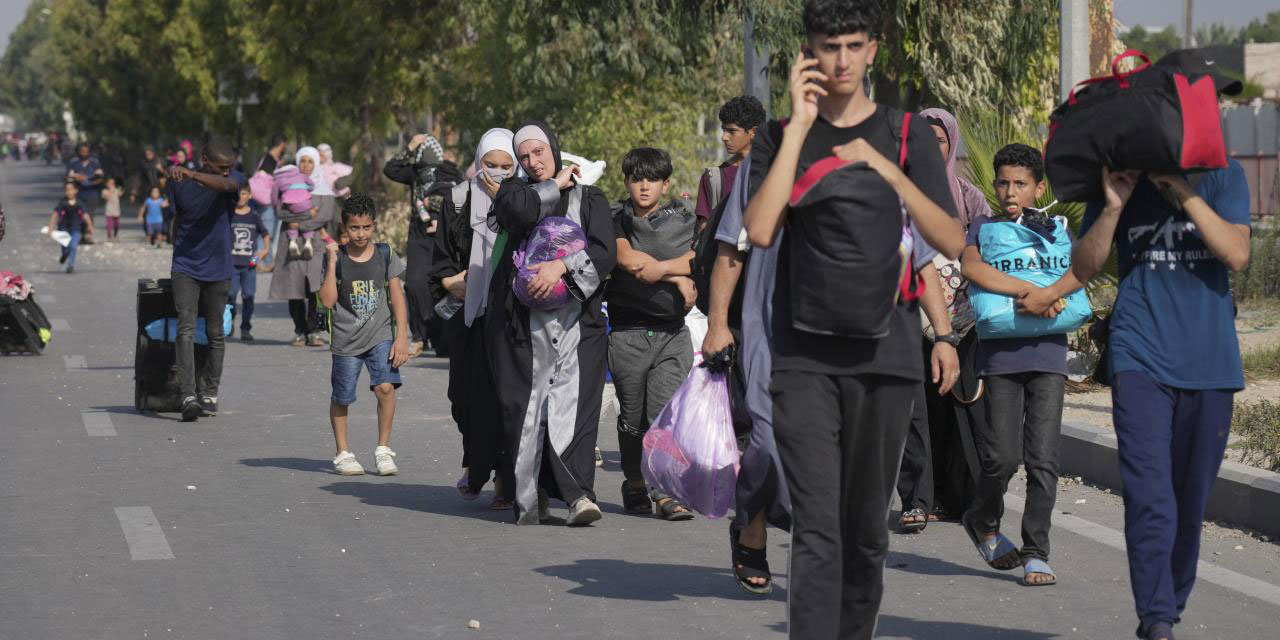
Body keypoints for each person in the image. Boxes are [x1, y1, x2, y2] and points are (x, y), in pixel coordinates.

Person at [741, 1, 965, 636]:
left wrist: (888, 169)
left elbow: (950, 239)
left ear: (872, 50)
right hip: (804, 359)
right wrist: (800, 127)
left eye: (853, 46)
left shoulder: (907, 132)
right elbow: (759, 229)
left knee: (865, 535)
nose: (840, 59)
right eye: (827, 46)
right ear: (809, 51)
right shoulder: (780, 135)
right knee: (817, 531)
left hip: (887, 358)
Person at [1061, 51, 1250, 640]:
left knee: (1188, 510)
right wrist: (1113, 207)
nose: (1213, 111)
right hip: (1140, 356)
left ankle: (1164, 609)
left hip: (1210, 364)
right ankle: (1159, 619)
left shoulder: (1226, 176)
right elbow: (1085, 265)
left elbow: (1237, 254)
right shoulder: (1118, 180)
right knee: (1150, 499)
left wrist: (1182, 191)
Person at [959, 143, 1080, 588]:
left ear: (1039, 187)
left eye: (1021, 184)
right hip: (1000, 358)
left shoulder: (1057, 230)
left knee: (1044, 460)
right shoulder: (982, 228)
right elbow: (973, 269)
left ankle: (1035, 550)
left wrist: (1051, 294)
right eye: (1004, 183)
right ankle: (982, 517)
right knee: (1001, 458)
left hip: (1049, 355)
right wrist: (1031, 294)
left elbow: (1076, 271)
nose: (1011, 192)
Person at [488, 121, 617, 526]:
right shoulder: (515, 194)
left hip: (579, 323)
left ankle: (579, 496)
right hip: (522, 328)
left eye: (539, 152)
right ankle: (532, 494)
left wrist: (560, 267)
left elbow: (604, 252)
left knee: (576, 408)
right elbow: (517, 213)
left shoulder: (591, 198)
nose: (533, 161)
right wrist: (554, 187)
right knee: (525, 409)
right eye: (524, 156)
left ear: (554, 150)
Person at [895, 107, 990, 532]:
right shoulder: (897, 193)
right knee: (914, 412)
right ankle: (917, 498)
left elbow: (985, 247)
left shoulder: (968, 196)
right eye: (922, 141)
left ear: (951, 146)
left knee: (959, 408)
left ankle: (958, 498)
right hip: (904, 315)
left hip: (960, 319)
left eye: (939, 141)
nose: (931, 150)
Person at [608, 147, 698, 521]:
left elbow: (699, 256)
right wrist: (675, 275)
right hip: (628, 333)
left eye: (652, 179)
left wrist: (664, 269)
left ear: (666, 183)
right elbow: (627, 260)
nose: (643, 186)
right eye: (636, 178)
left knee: (664, 413)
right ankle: (633, 482)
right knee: (633, 418)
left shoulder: (685, 218)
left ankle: (664, 490)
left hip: (672, 334)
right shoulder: (616, 217)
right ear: (626, 182)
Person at [430, 128, 517, 510]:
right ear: (478, 161)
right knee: (464, 398)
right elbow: (441, 259)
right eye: (490, 165)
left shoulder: (524, 199)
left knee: (504, 399)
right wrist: (452, 282)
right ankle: (475, 461)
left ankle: (503, 479)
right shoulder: (458, 199)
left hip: (510, 317)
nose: (496, 173)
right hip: (469, 317)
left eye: (505, 166)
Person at [318, 193, 409, 476]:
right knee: (342, 396)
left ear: (374, 225)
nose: (360, 233)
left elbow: (397, 297)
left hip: (380, 334)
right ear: (344, 228)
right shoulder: (337, 258)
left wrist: (402, 336)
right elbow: (328, 301)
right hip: (346, 340)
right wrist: (332, 264)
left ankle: (383, 449)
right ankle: (343, 452)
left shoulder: (385, 254)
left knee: (385, 387)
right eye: (354, 228)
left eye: (366, 227)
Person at [165, 135, 246, 422]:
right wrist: (175, 249)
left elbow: (228, 185)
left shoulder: (231, 178)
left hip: (219, 267)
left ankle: (210, 392)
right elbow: (178, 218)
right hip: (186, 265)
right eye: (220, 167)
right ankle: (188, 395)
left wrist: (193, 174)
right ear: (205, 159)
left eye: (229, 167)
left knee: (215, 332)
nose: (226, 171)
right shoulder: (177, 182)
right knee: (185, 328)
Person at [383, 133, 450, 358]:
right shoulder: (414, 174)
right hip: (418, 234)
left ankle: (437, 337)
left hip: (444, 234)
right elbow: (390, 169)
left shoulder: (448, 172)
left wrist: (441, 217)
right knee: (413, 284)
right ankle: (419, 336)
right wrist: (410, 147)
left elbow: (461, 199)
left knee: (439, 286)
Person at [268, 147, 332, 348]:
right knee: (294, 289)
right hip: (292, 245)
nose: (305, 165)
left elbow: (325, 215)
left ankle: (314, 331)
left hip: (315, 245)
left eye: (310, 161)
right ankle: (299, 330)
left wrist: (299, 223)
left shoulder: (323, 188)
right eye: (302, 161)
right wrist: (305, 218)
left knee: (314, 289)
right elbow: (279, 211)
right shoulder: (287, 184)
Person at [695, 96, 766, 230]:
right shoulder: (713, 178)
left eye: (732, 131)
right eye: (724, 130)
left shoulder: (774, 172)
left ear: (753, 132)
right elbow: (704, 230)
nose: (724, 137)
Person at [228, 185, 269, 341]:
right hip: (232, 262)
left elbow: (265, 234)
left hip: (250, 264)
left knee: (248, 296)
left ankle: (245, 327)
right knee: (230, 295)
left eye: (244, 193)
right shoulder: (229, 215)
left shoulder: (254, 216)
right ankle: (228, 323)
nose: (241, 196)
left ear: (250, 195)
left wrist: (264, 251)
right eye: (238, 194)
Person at [253, 135, 288, 271]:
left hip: (264, 201)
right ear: (281, 145)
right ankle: (257, 262)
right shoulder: (270, 160)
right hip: (266, 202)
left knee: (266, 233)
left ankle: (266, 263)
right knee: (266, 234)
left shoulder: (267, 159)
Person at [47, 181, 94, 274]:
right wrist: (50, 227)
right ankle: (64, 255)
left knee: (73, 246)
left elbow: (85, 215)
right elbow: (55, 214)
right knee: (65, 246)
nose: (69, 192)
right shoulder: (63, 202)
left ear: (76, 190)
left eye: (71, 190)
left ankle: (70, 266)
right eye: (67, 190)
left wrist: (90, 226)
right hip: (63, 228)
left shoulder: (80, 203)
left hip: (76, 228)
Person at [65, 143, 104, 222]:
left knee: (89, 212)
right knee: (79, 212)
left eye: (86, 151)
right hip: (78, 192)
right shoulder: (73, 162)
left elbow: (100, 177)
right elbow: (67, 177)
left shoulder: (94, 162)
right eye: (82, 151)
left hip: (92, 192)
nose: (84, 154)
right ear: (78, 152)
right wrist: (76, 178)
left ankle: (89, 229)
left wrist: (92, 182)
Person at [102, 177, 122, 241]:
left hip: (116, 209)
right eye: (110, 183)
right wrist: (111, 190)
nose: (112, 184)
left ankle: (115, 235)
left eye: (113, 183)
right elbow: (107, 197)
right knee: (109, 225)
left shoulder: (116, 190)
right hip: (109, 210)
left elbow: (120, 194)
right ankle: (109, 236)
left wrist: (120, 190)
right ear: (107, 184)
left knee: (117, 225)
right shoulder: (104, 191)